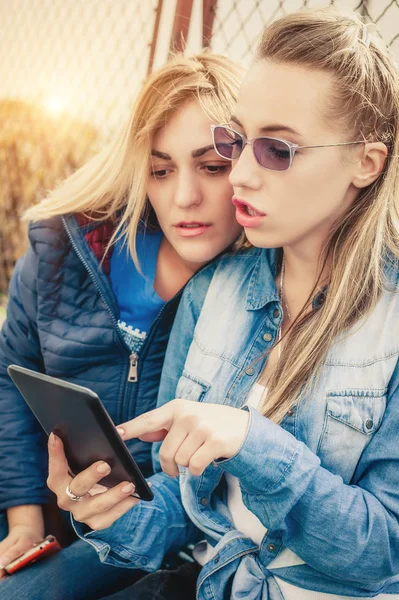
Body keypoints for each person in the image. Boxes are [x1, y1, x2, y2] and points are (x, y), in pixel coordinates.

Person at [48, 7, 399, 599]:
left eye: (278, 150)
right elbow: (179, 506)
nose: (238, 173)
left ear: (366, 162)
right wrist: (108, 508)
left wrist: (252, 444)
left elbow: (384, 550)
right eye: (234, 141)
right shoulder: (214, 291)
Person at [0, 53, 244, 599]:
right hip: (41, 498)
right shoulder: (59, 252)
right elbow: (11, 379)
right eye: (161, 170)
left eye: (212, 166)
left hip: (154, 529)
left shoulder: (254, 294)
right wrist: (24, 523)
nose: (184, 197)